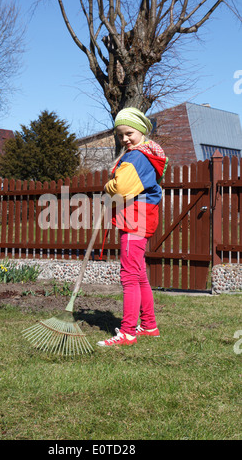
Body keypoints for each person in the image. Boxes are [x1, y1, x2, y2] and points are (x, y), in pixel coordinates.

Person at [97, 107, 168, 347]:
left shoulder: (137, 156)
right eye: (120, 135)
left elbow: (123, 188)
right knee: (138, 274)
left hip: (135, 218)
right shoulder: (145, 153)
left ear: (141, 130)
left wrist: (107, 188)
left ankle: (127, 332)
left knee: (129, 275)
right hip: (141, 217)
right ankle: (149, 326)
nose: (125, 138)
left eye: (129, 133)